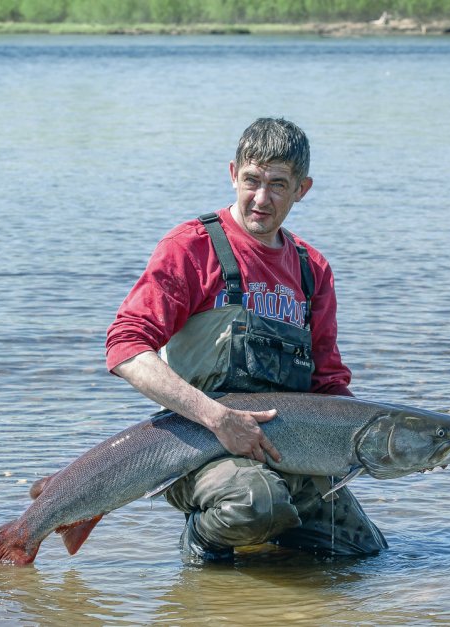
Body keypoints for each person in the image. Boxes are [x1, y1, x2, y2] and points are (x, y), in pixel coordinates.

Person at [106, 118, 387, 563]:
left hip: (290, 450)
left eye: (278, 184)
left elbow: (330, 385)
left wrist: (371, 447)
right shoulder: (192, 248)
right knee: (257, 503)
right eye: (252, 180)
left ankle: (267, 565)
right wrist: (216, 417)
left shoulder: (312, 268)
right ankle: (205, 538)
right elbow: (126, 348)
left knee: (361, 553)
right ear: (233, 173)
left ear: (302, 189)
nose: (261, 198)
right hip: (197, 445)